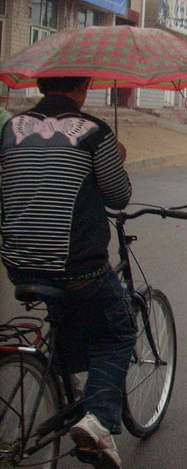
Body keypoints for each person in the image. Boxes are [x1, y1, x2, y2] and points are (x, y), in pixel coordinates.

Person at [0, 76, 134, 469]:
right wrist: (115, 158)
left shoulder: (11, 127)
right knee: (117, 332)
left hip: (19, 263)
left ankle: (61, 381)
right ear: (84, 86)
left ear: (42, 84)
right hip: (77, 266)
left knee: (69, 315)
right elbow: (119, 197)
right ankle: (98, 421)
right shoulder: (94, 130)